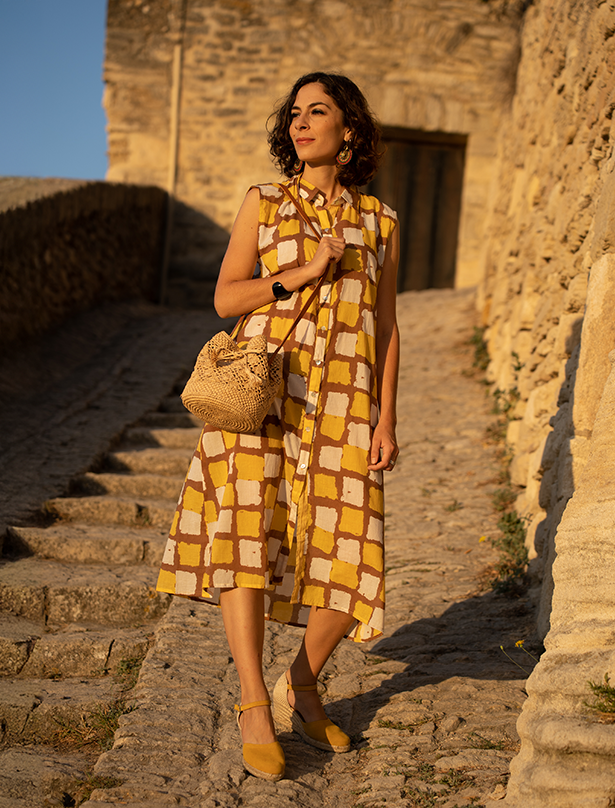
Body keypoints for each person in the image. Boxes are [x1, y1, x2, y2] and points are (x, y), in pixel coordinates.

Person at [157, 71, 400, 782]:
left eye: (317, 112)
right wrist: (296, 274)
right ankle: (254, 700)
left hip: (344, 400)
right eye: (295, 113)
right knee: (245, 538)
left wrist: (388, 413)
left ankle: (302, 680)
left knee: (353, 552)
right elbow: (226, 296)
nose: (300, 123)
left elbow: (387, 326)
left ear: (348, 130)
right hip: (263, 396)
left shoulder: (379, 221)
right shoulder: (265, 202)